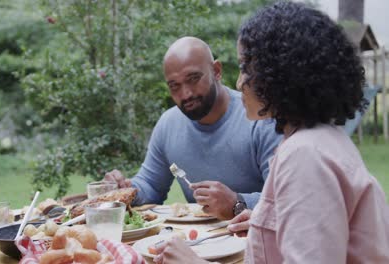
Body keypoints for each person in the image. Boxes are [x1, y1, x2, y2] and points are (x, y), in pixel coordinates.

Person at [153, 2, 389, 263]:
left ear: (283, 73)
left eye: (245, 68)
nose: (239, 82)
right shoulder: (319, 140)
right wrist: (267, 223)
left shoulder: (305, 157)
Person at [105, 36, 281, 220]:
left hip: (255, 242)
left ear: (217, 71)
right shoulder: (168, 124)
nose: (186, 94)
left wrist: (237, 202)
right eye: (174, 86)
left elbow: (284, 199)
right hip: (197, 241)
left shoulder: (259, 118)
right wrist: (124, 191)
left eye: (193, 79)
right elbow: (150, 185)